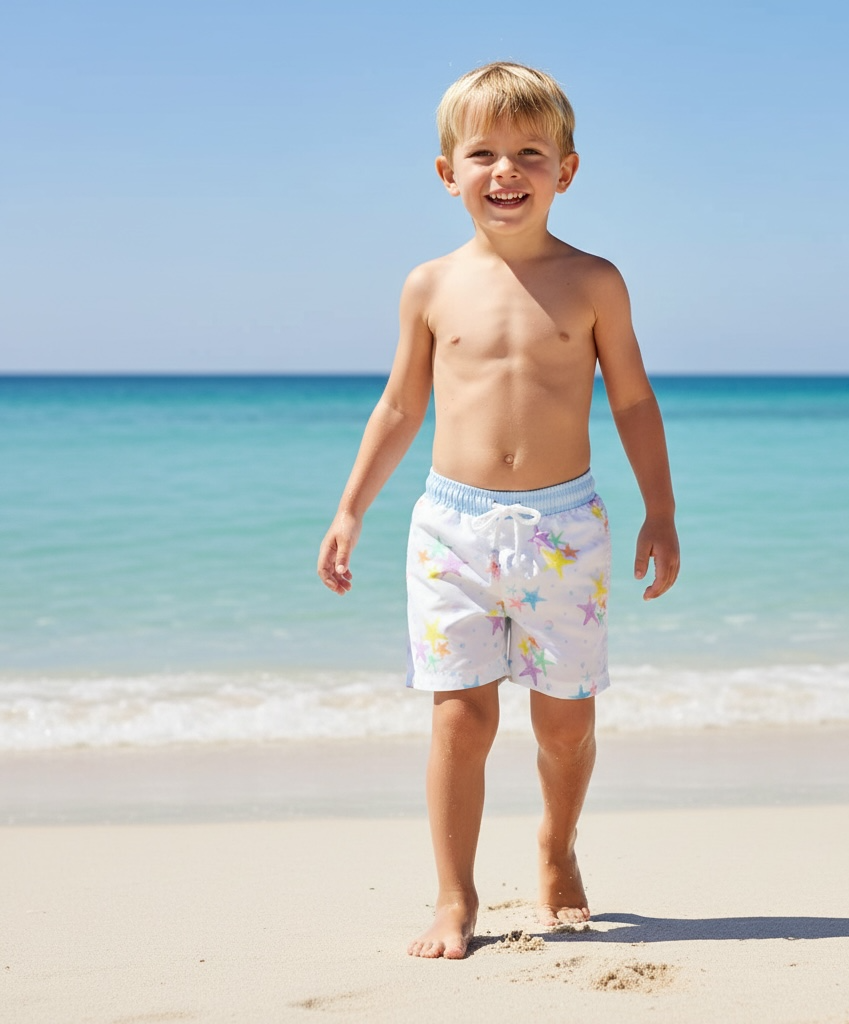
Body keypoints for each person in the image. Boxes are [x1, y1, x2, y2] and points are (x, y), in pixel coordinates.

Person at [317, 61, 679, 960]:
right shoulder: (430, 286)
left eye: (530, 154)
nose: (506, 171)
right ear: (449, 173)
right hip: (452, 528)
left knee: (566, 721)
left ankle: (557, 847)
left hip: (566, 527)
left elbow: (633, 400)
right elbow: (399, 407)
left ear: (567, 171)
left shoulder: (595, 282)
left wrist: (660, 510)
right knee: (460, 717)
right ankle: (455, 898)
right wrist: (351, 510)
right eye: (483, 154)